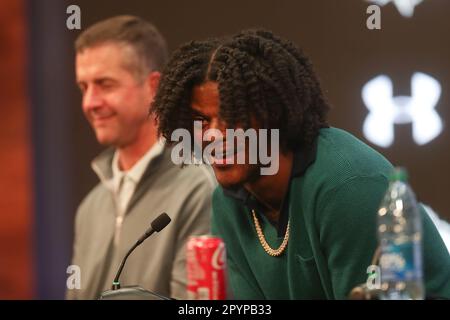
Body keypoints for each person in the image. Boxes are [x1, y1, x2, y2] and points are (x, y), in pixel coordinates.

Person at [151, 29, 450, 299]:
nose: (213, 136)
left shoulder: (348, 186)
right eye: (201, 121)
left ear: (275, 115)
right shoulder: (226, 203)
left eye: (234, 116)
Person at [67, 16, 214, 300]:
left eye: (105, 84)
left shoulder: (198, 189)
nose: (90, 103)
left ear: (153, 87)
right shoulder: (90, 207)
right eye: (84, 87)